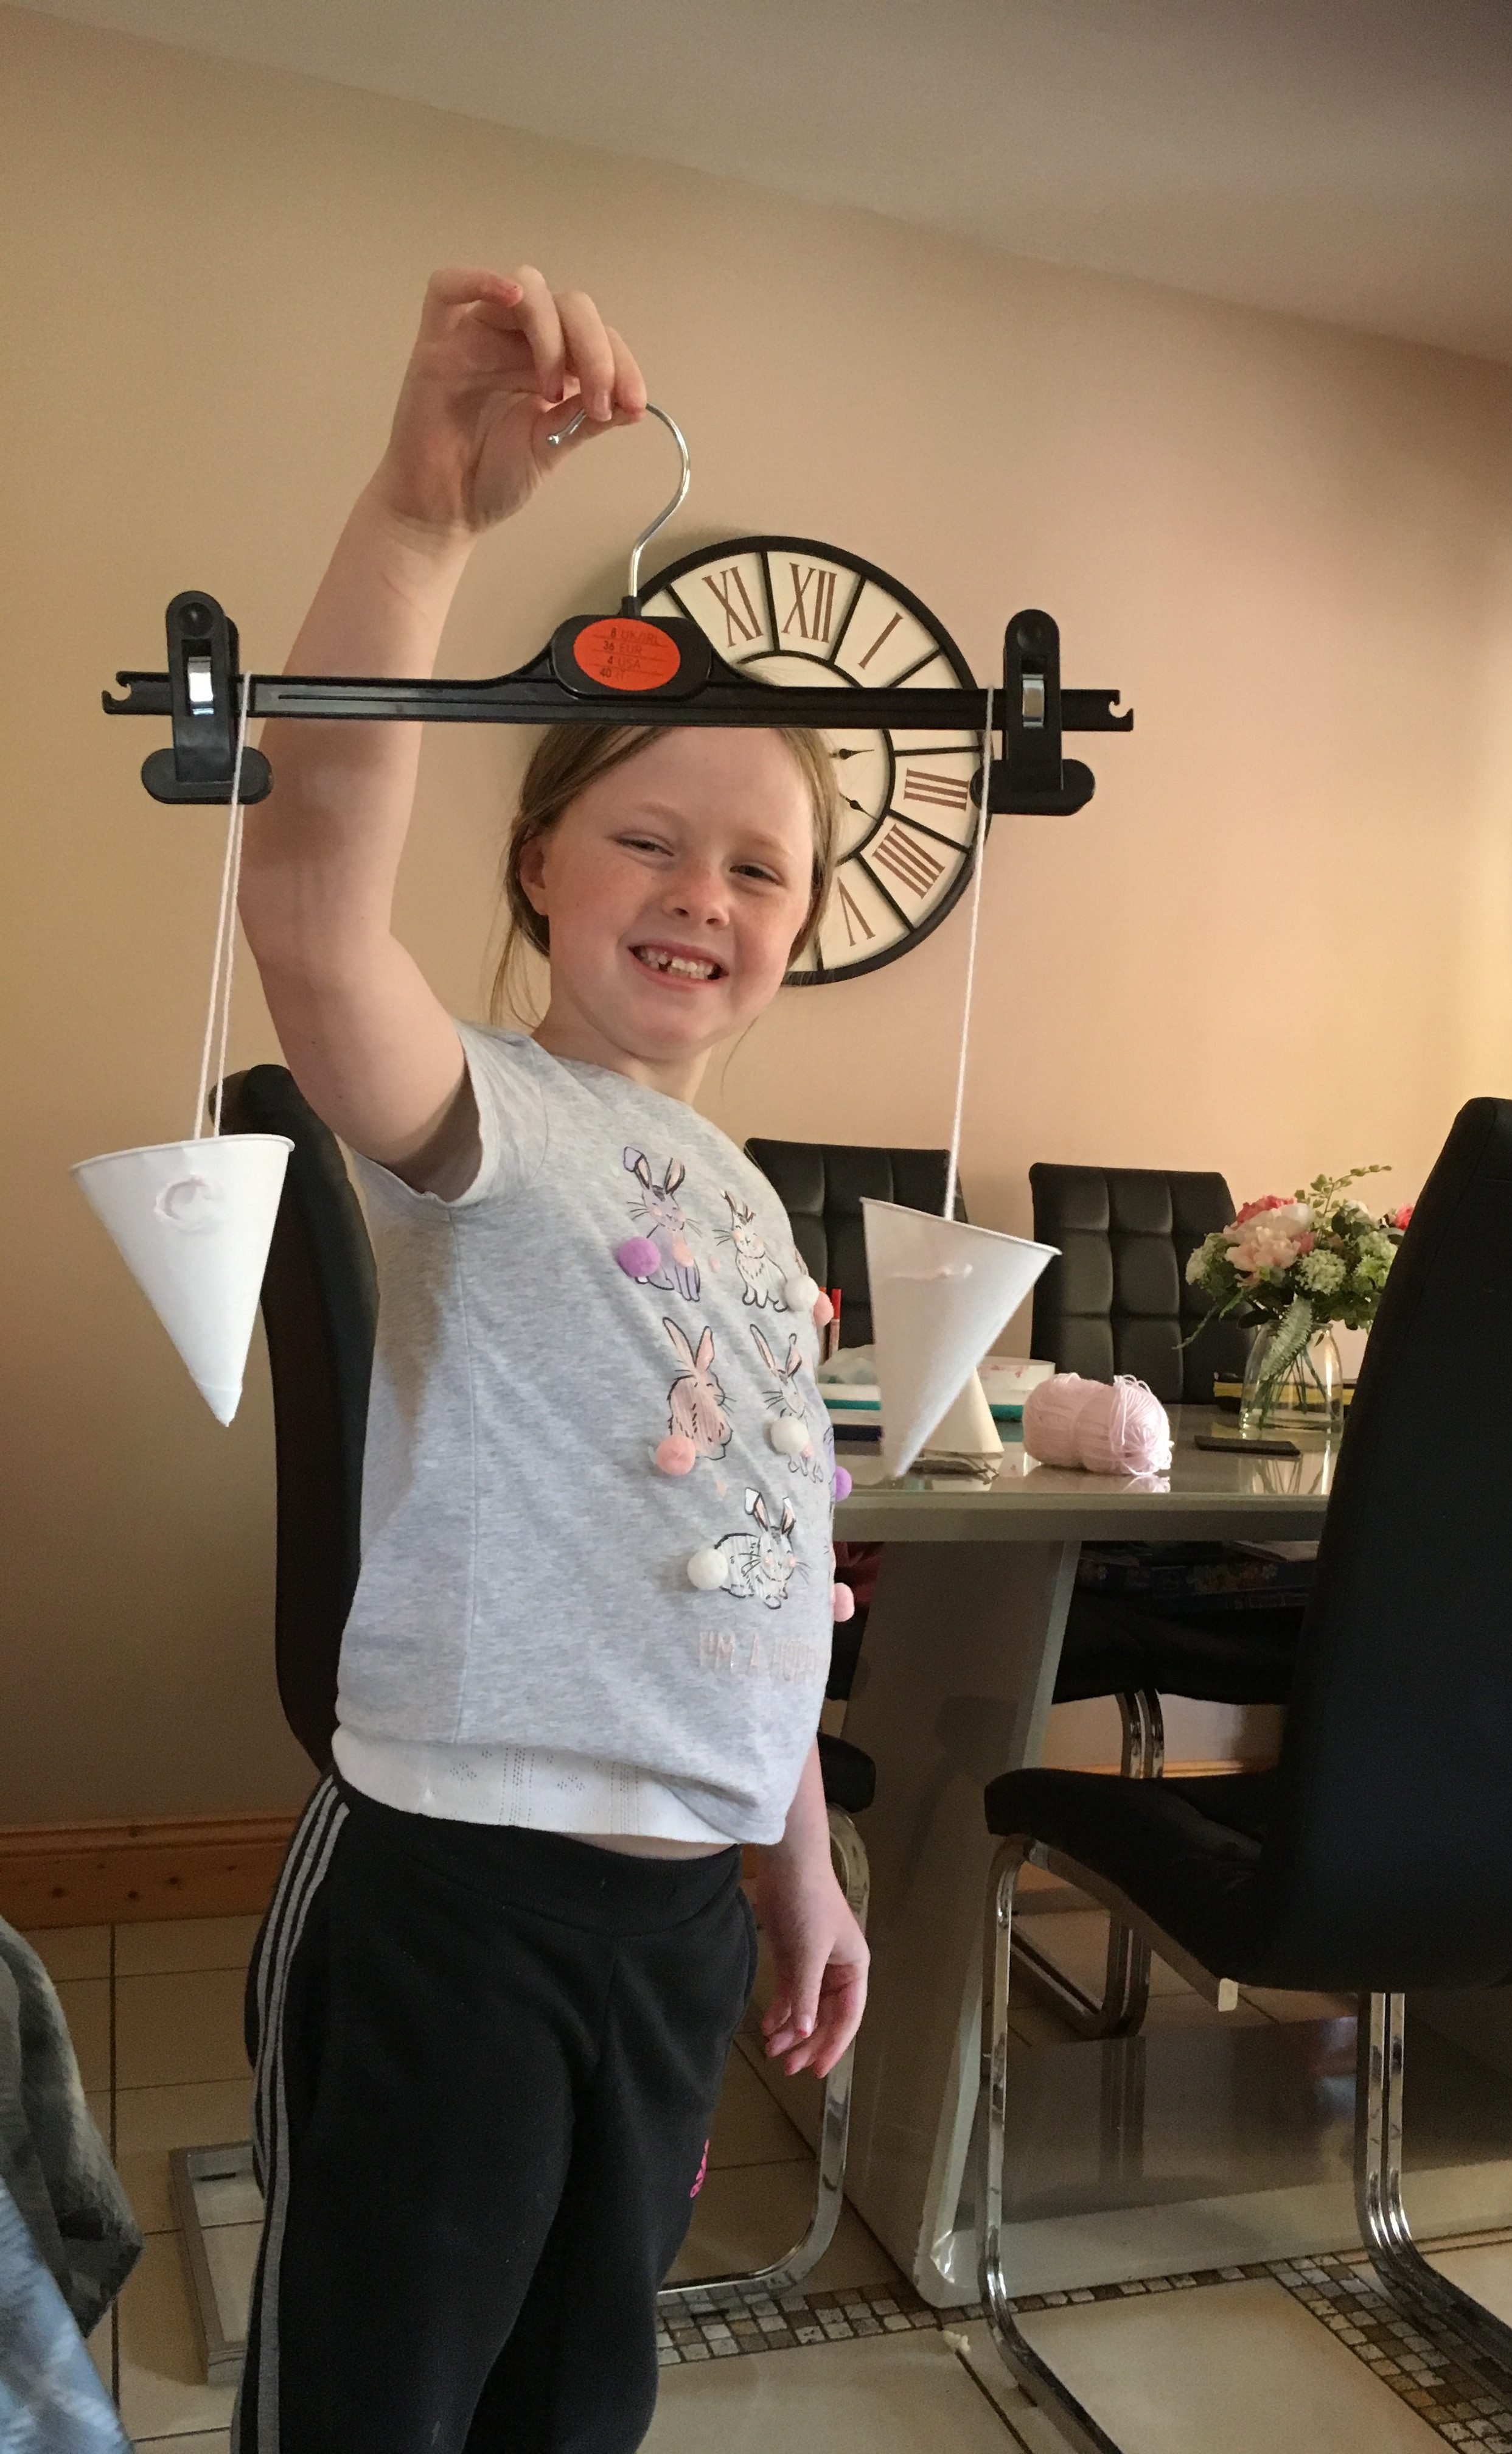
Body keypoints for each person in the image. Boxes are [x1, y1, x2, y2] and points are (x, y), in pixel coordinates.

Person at [232, 265, 868, 2454]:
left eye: (761, 868)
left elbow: (767, 1554)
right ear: (534, 868)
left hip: (677, 1922)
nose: (705, 893)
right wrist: (424, 521)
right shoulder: (485, 1122)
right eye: (649, 840)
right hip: (456, 1900)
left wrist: (795, 1859)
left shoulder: (754, 1208)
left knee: (578, 2398)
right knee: (380, 2402)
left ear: (799, 930)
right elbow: (311, 907)